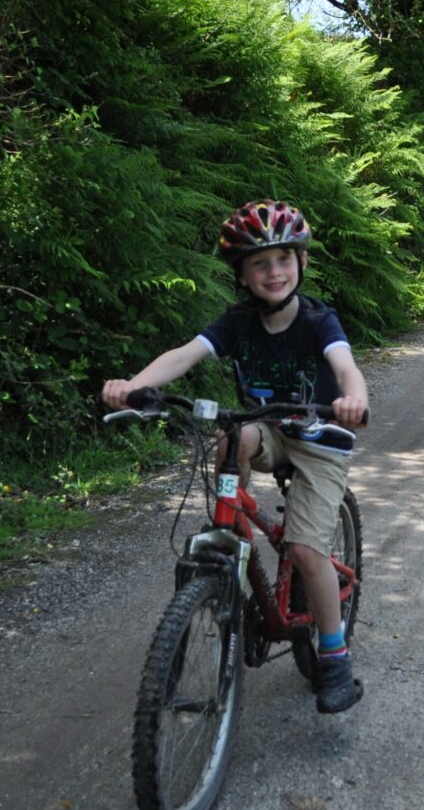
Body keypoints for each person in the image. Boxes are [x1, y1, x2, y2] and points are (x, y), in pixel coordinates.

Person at [101, 199, 369, 714]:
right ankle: (231, 534)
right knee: (232, 434)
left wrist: (355, 398)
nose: (274, 272)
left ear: (302, 264)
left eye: (284, 260)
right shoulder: (239, 322)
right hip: (268, 429)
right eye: (260, 264)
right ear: (243, 276)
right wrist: (133, 387)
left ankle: (334, 655)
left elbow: (345, 364)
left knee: (309, 551)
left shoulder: (318, 320)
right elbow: (185, 354)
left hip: (319, 440)